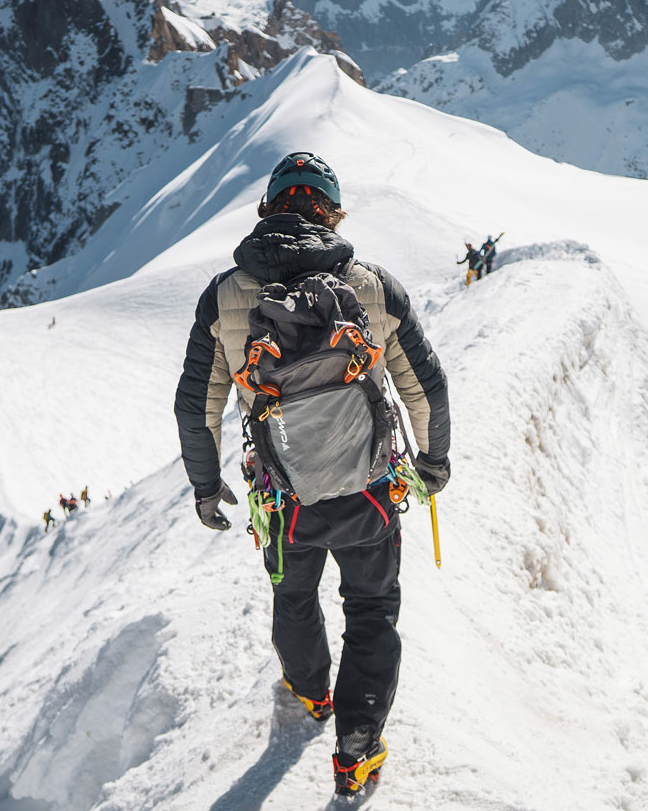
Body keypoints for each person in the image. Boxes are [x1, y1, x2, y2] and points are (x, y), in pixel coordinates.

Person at [175, 151, 451, 797]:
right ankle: (357, 749)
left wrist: (206, 486)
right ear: (332, 213)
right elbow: (427, 387)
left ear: (268, 208)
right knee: (372, 609)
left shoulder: (224, 296)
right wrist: (433, 461)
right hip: (369, 494)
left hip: (283, 499)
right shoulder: (373, 287)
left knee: (293, 597)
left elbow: (196, 407)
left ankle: (310, 693)